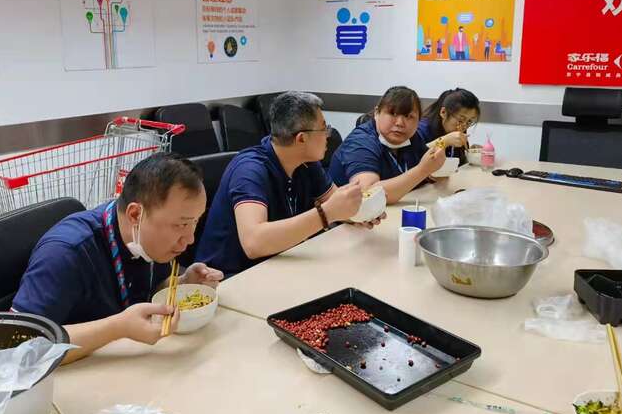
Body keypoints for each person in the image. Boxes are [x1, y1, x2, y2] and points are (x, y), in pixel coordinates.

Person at [11, 154, 224, 364]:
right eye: (181, 224)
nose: (190, 238)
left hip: (132, 363)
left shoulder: (144, 239)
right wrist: (118, 328)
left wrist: (182, 283)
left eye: (195, 222)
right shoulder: (65, 253)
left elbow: (148, 288)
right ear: (135, 215)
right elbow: (19, 347)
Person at [196, 91, 380, 277]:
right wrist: (326, 214)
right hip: (231, 277)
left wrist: (362, 212)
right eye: (324, 128)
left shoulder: (307, 163)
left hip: (281, 264)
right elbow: (254, 243)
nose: (328, 135)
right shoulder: (250, 170)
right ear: (301, 138)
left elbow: (337, 205)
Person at [329, 86, 446, 204]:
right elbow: (368, 194)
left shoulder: (412, 138)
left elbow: (430, 175)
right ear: (377, 113)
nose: (400, 123)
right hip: (350, 214)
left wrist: (433, 169)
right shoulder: (360, 142)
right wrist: (423, 170)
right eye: (392, 113)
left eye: (409, 116)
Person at [417, 88, 481, 166]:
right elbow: (414, 156)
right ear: (443, 112)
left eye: (469, 121)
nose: (464, 126)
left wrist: (471, 153)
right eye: (461, 120)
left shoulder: (460, 127)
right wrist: (444, 141)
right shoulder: (421, 129)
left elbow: (459, 162)